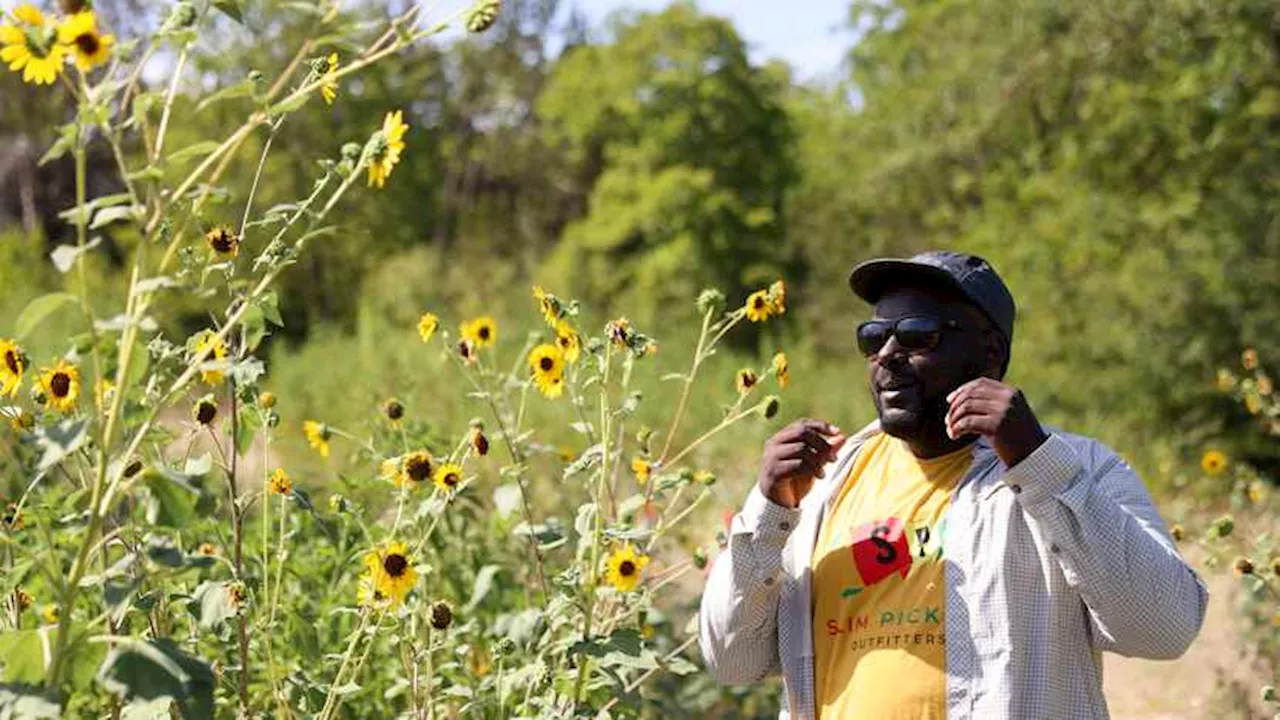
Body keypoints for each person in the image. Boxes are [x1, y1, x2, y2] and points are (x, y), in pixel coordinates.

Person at [698, 251, 1208, 720]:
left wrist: (1036, 459)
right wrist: (768, 511)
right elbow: (732, 661)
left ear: (989, 352)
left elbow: (1165, 627)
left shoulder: (1076, 469)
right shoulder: (824, 484)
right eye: (873, 338)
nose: (888, 355)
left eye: (918, 334)